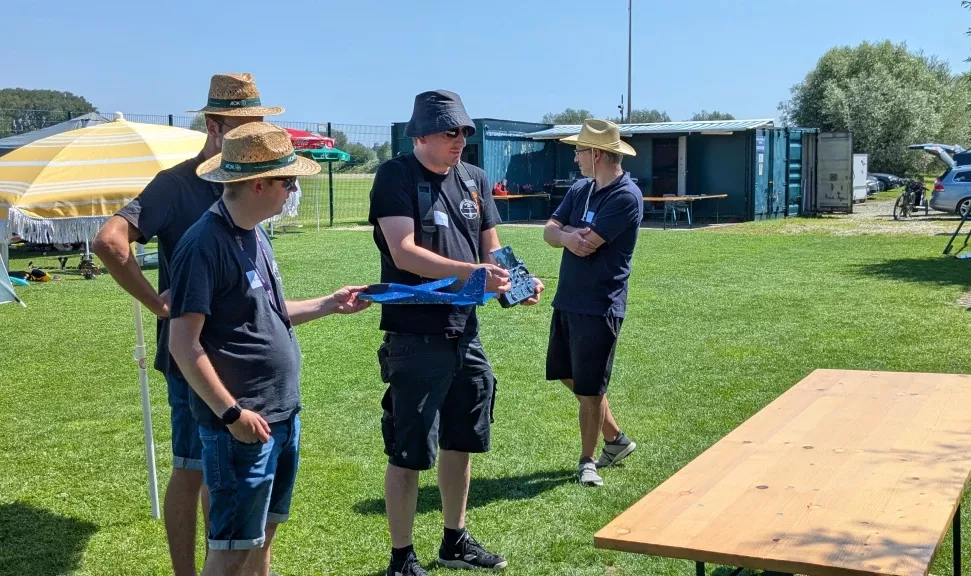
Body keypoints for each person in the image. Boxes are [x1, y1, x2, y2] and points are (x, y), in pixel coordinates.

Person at [92, 72, 282, 576]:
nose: (255, 133)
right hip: (193, 357)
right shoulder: (176, 185)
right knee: (193, 468)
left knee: (223, 475)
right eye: (246, 124)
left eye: (260, 123)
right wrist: (158, 304)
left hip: (242, 361)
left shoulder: (244, 180)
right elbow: (110, 240)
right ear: (216, 126)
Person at [168, 122, 370, 576]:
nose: (293, 190)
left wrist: (327, 304)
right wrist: (231, 414)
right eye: (288, 181)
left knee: (261, 539)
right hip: (242, 425)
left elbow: (267, 313)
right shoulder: (203, 245)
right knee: (231, 549)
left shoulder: (254, 233)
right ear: (258, 184)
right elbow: (183, 343)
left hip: (280, 415)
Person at [368, 89, 543, 576]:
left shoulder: (475, 179)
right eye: (450, 132)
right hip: (414, 336)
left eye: (465, 131)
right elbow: (403, 252)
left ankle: (454, 539)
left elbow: (493, 249)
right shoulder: (395, 176)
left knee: (462, 440)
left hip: (465, 332)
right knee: (409, 451)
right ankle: (401, 558)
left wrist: (516, 283)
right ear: (420, 134)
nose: (460, 140)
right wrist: (474, 275)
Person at [542, 119, 643, 487]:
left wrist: (565, 236)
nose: (575, 157)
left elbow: (590, 244)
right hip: (568, 299)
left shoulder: (626, 196)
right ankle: (616, 439)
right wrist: (566, 235)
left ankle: (588, 460)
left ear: (597, 154)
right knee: (568, 375)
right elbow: (549, 232)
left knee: (590, 388)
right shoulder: (581, 188)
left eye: (580, 150)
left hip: (600, 304)